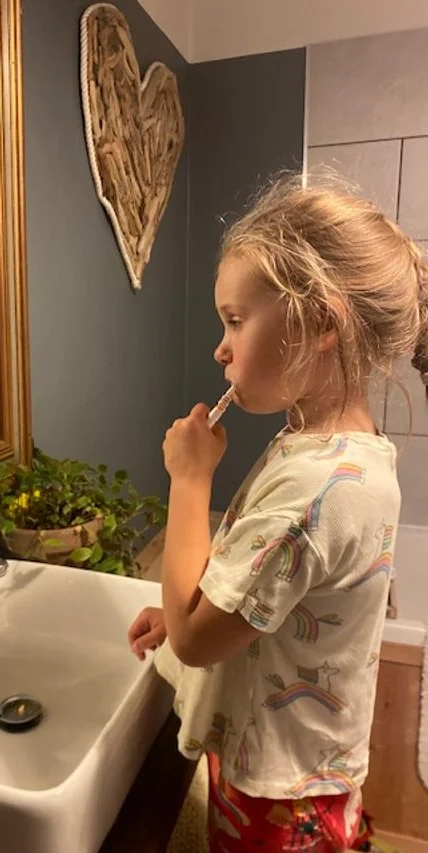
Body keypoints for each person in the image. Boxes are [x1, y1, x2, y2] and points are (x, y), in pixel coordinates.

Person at [128, 173, 428, 852]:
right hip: (306, 770)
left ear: (321, 322)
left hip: (279, 797)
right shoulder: (340, 455)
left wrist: (190, 478)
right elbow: (267, 591)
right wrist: (191, 603)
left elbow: (199, 641)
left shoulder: (318, 489)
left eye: (236, 320)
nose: (221, 348)